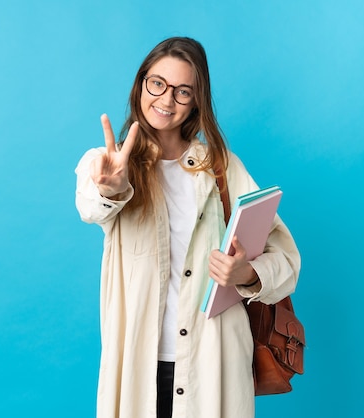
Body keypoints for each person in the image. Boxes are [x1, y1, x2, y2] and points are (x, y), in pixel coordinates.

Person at [75, 37, 300, 418]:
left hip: (213, 362)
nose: (166, 100)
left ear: (197, 100)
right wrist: (110, 190)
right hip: (138, 365)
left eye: (183, 91)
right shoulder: (108, 162)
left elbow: (287, 260)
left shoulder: (221, 166)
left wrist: (246, 272)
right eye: (157, 83)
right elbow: (90, 207)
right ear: (141, 83)